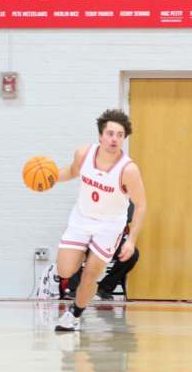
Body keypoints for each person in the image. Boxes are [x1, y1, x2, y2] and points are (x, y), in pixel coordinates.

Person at [52, 109, 147, 332]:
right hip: (81, 219)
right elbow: (71, 172)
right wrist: (51, 177)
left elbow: (141, 205)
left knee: (91, 273)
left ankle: (74, 315)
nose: (114, 138)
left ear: (124, 139)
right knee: (64, 271)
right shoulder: (83, 153)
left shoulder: (128, 169)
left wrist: (131, 240)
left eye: (120, 135)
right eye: (110, 133)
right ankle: (84, 251)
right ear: (100, 136)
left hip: (109, 226)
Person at [61, 201, 140, 301]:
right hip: (91, 237)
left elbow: (128, 216)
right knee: (75, 248)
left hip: (112, 240)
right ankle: (74, 289)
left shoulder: (126, 199)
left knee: (132, 254)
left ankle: (105, 288)